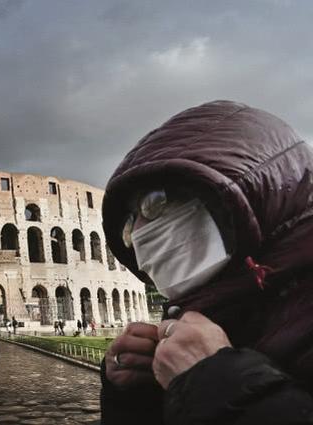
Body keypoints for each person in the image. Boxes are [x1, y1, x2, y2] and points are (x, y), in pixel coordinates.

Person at [99, 100, 313, 424]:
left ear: (242, 191)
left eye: (154, 202)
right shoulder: (206, 313)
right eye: (129, 224)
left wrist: (217, 382)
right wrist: (136, 398)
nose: (139, 234)